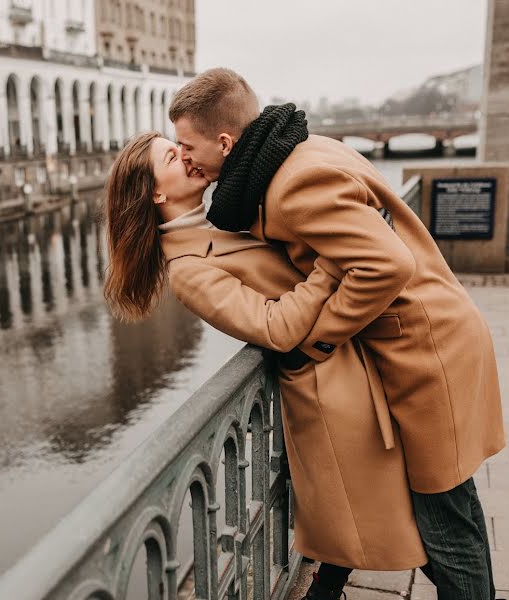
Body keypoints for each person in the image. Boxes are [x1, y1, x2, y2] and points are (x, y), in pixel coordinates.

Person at [168, 68, 505, 600]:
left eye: (187, 145)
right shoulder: (301, 150)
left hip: (424, 351)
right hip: (432, 339)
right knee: (454, 509)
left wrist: (322, 337)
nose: (184, 156)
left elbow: (385, 264)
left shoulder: (292, 183)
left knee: (447, 525)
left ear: (225, 141)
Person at [104, 131, 428, 600]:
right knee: (400, 522)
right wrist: (333, 265)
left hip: (351, 361)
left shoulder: (221, 220)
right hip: (327, 388)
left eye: (181, 145)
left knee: (375, 527)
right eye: (173, 157)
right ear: (156, 192)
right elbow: (275, 328)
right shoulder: (188, 270)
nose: (188, 157)